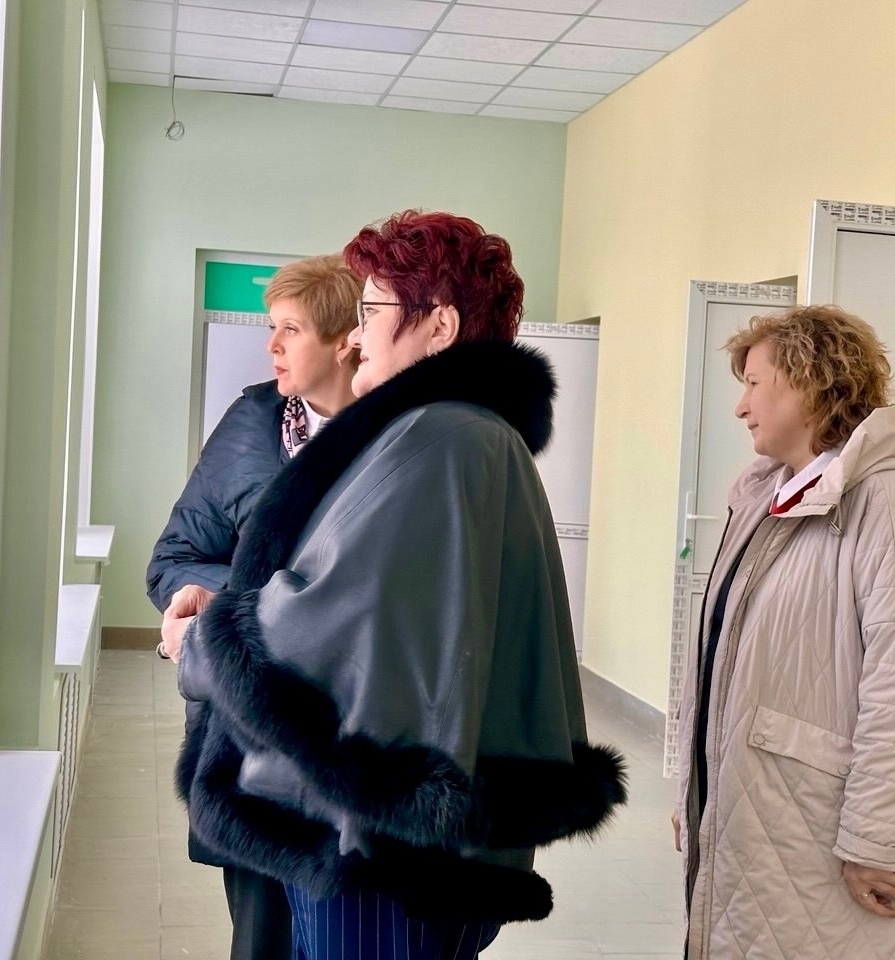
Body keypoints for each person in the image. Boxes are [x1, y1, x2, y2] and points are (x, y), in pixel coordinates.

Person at [161, 210, 627, 960]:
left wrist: (198, 643)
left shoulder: (434, 441)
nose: (357, 334)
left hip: (380, 853)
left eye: (372, 311)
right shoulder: (471, 435)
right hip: (415, 845)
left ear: (438, 326)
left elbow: (325, 632)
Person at [674, 305, 895, 960]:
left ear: (809, 383)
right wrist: (697, 793)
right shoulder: (766, 496)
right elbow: (722, 661)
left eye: (754, 384)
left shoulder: (888, 500)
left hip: (822, 825)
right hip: (765, 813)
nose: (741, 407)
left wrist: (873, 838)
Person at [147, 253, 361, 960]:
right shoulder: (249, 424)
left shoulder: (399, 440)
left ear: (346, 340)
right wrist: (224, 603)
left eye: (290, 329)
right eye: (273, 328)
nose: (271, 345)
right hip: (248, 741)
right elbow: (173, 556)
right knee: (262, 940)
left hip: (354, 742)